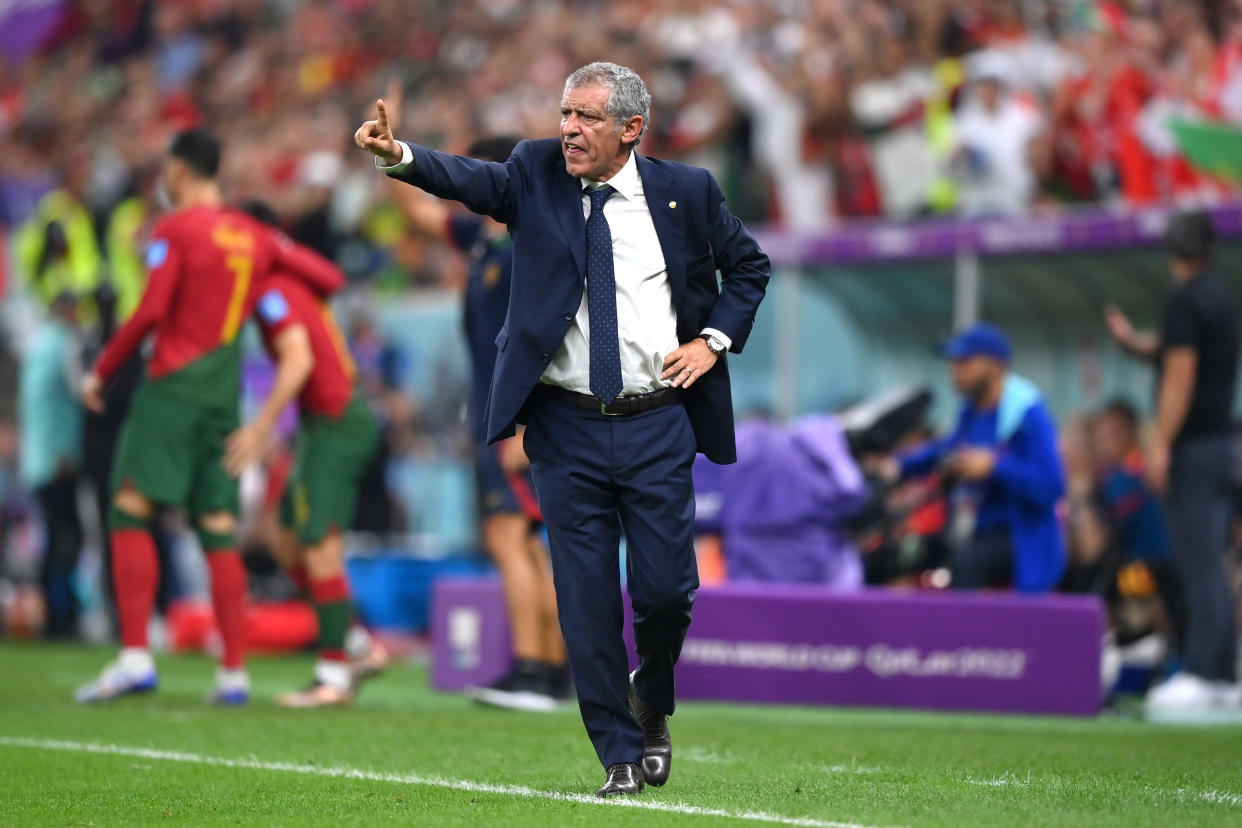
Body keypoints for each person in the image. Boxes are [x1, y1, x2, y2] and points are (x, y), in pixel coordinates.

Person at [356, 61, 770, 796]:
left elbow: (749, 269)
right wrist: (400, 156)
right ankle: (616, 753)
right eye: (565, 114)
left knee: (667, 593)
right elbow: (468, 181)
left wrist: (711, 342)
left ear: (631, 130)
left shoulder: (689, 193)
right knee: (583, 601)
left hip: (657, 421)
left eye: (586, 118)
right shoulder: (534, 171)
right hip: (566, 430)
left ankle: (654, 701)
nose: (569, 130)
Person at [74, 128, 343, 705]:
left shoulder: (176, 229)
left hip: (170, 390)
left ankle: (135, 658)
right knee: (216, 529)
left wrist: (101, 372)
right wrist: (269, 253)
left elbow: (149, 310)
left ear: (176, 169)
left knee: (129, 508)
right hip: (224, 404)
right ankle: (233, 673)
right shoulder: (253, 236)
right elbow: (329, 280)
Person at [377, 99, 567, 711]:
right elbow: (414, 210)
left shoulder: (519, 251)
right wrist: (391, 148)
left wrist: (519, 423)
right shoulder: (485, 240)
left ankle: (536, 671)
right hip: (504, 417)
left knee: (511, 539)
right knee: (530, 542)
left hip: (515, 421)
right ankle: (554, 671)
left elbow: (542, 341)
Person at [230, 200, 386, 708]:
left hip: (336, 424)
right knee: (290, 544)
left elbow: (297, 362)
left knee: (318, 542)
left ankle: (333, 677)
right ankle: (356, 646)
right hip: (325, 425)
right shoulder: (284, 284)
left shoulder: (274, 290)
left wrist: (260, 426)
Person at [1104, 210, 1240, 712]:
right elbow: (1172, 353)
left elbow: (1180, 375)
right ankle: (1222, 675)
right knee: (1215, 564)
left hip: (1194, 452)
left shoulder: (1185, 300)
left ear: (1171, 250)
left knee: (1199, 564)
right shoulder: (1220, 297)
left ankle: (1208, 672)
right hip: (1223, 446)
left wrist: (1158, 444)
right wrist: (1133, 344)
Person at [878, 323, 1066, 591]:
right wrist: (897, 466)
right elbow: (947, 450)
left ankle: (965, 634)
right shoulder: (971, 410)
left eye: (965, 362)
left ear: (995, 365)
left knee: (964, 563)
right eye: (953, 363)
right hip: (966, 530)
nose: (955, 371)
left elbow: (1052, 486)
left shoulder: (1027, 413)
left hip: (1016, 536)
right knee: (896, 555)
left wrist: (995, 467)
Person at [17, 291, 84, 638]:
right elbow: (70, 397)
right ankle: (61, 616)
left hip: (37, 457)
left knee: (55, 536)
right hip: (55, 458)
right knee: (65, 538)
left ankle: (53, 614)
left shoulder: (37, 344)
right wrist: (62, 450)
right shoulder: (60, 345)